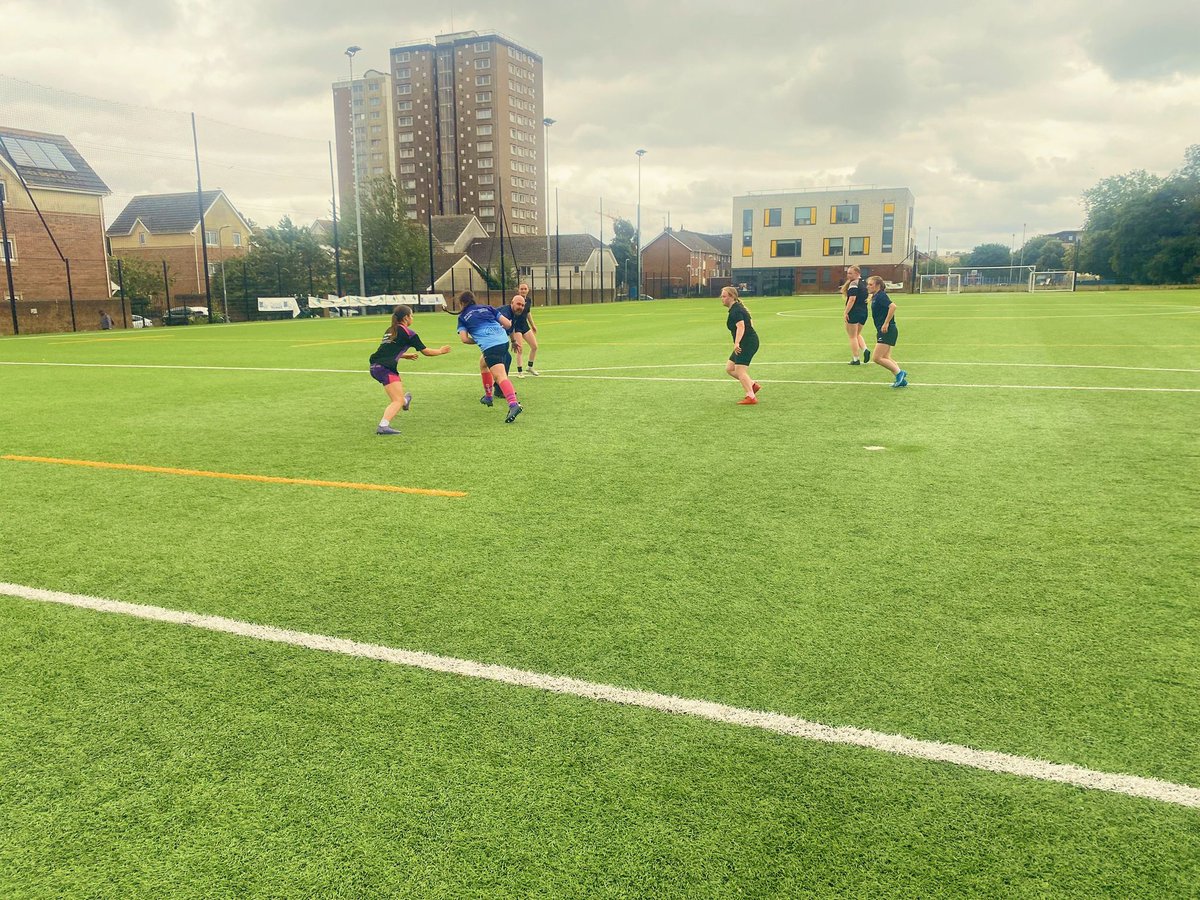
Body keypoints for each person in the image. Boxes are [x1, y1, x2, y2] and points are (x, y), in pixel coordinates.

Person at [368, 304, 451, 435]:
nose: (412, 318)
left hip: (375, 366)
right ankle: (383, 426)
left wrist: (404, 355)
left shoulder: (390, 330)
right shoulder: (409, 333)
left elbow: (388, 350)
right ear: (406, 318)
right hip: (385, 368)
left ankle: (405, 401)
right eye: (412, 315)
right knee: (397, 400)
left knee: (399, 398)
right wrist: (441, 351)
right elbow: (426, 352)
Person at [455, 291, 523, 423]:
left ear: (461, 303)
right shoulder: (487, 307)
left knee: (500, 376)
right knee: (483, 363)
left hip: (491, 347)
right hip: (503, 341)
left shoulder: (462, 317)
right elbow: (508, 324)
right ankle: (488, 396)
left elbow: (464, 339)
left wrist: (479, 339)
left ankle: (513, 404)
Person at [720, 285, 762, 405]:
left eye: (724, 296)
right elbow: (750, 323)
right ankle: (752, 385)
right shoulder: (737, 308)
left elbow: (741, 326)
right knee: (729, 368)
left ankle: (751, 396)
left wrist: (737, 343)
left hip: (747, 343)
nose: (722, 299)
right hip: (748, 341)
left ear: (731, 297)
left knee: (739, 370)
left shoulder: (736, 310)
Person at [866, 276, 908, 388]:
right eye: (868, 284)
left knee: (877, 358)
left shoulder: (881, 296)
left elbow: (893, 306)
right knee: (886, 357)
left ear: (878, 285)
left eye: (871, 284)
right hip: (884, 330)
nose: (868, 286)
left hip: (887, 330)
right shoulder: (876, 296)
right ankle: (901, 379)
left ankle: (900, 373)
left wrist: (886, 323)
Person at [839, 265, 869, 365]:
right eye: (848, 273)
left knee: (852, 336)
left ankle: (856, 359)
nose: (848, 275)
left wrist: (846, 312)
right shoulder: (864, 283)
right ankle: (865, 349)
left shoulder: (854, 284)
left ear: (857, 273)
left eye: (850, 273)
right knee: (857, 334)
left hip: (854, 312)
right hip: (864, 312)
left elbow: (852, 299)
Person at [508, 283, 539, 376]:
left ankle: (530, 367)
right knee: (519, 349)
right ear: (518, 290)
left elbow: (528, 313)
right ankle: (520, 371)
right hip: (516, 327)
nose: (523, 290)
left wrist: (533, 325)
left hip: (525, 326)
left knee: (534, 346)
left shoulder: (528, 300)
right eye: (521, 289)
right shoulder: (516, 300)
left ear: (528, 290)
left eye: (525, 289)